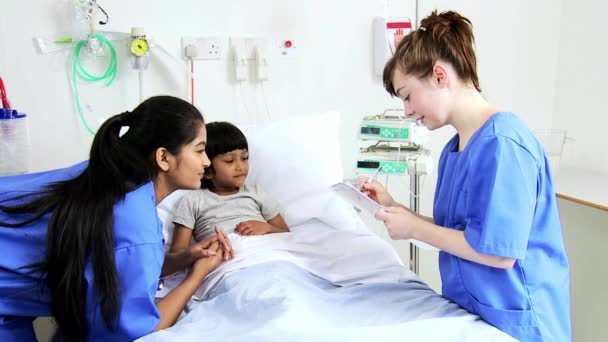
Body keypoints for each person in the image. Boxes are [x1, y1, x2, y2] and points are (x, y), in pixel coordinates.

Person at [361, 10, 571, 341]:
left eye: (407, 95)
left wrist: (413, 227)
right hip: (474, 314)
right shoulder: (456, 149)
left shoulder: (504, 143)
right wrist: (397, 208)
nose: (407, 110)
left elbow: (499, 252)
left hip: (518, 323)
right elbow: (459, 232)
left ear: (440, 76)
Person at [0, 96, 233, 341]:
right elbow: (134, 331)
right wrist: (196, 275)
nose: (207, 162)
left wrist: (184, 258)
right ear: (163, 157)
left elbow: (113, 261)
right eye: (199, 150)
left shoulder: (111, 175)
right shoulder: (134, 222)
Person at [170, 121, 289, 257]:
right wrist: (204, 249)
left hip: (266, 253)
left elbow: (286, 233)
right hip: (226, 260)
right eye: (229, 161)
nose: (240, 167)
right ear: (207, 170)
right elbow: (178, 252)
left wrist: (267, 228)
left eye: (244, 158)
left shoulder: (256, 192)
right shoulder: (193, 200)